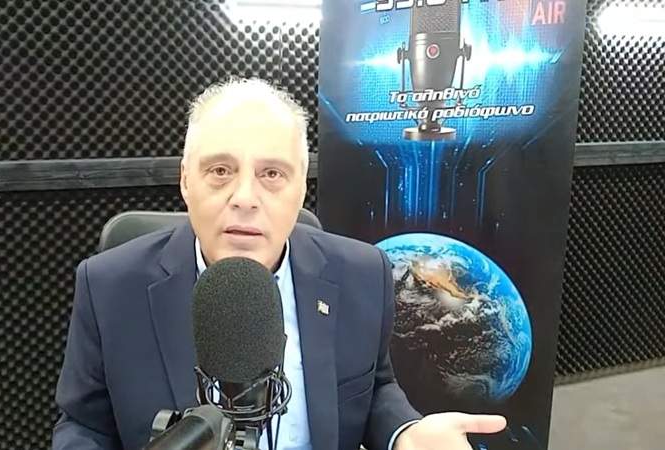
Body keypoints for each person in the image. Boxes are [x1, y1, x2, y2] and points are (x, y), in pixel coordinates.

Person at [52, 77, 506, 450]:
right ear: (186, 181)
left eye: (272, 174)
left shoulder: (363, 274)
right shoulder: (109, 287)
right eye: (220, 171)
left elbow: (375, 391)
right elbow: (84, 426)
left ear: (301, 188)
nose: (245, 198)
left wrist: (404, 434)